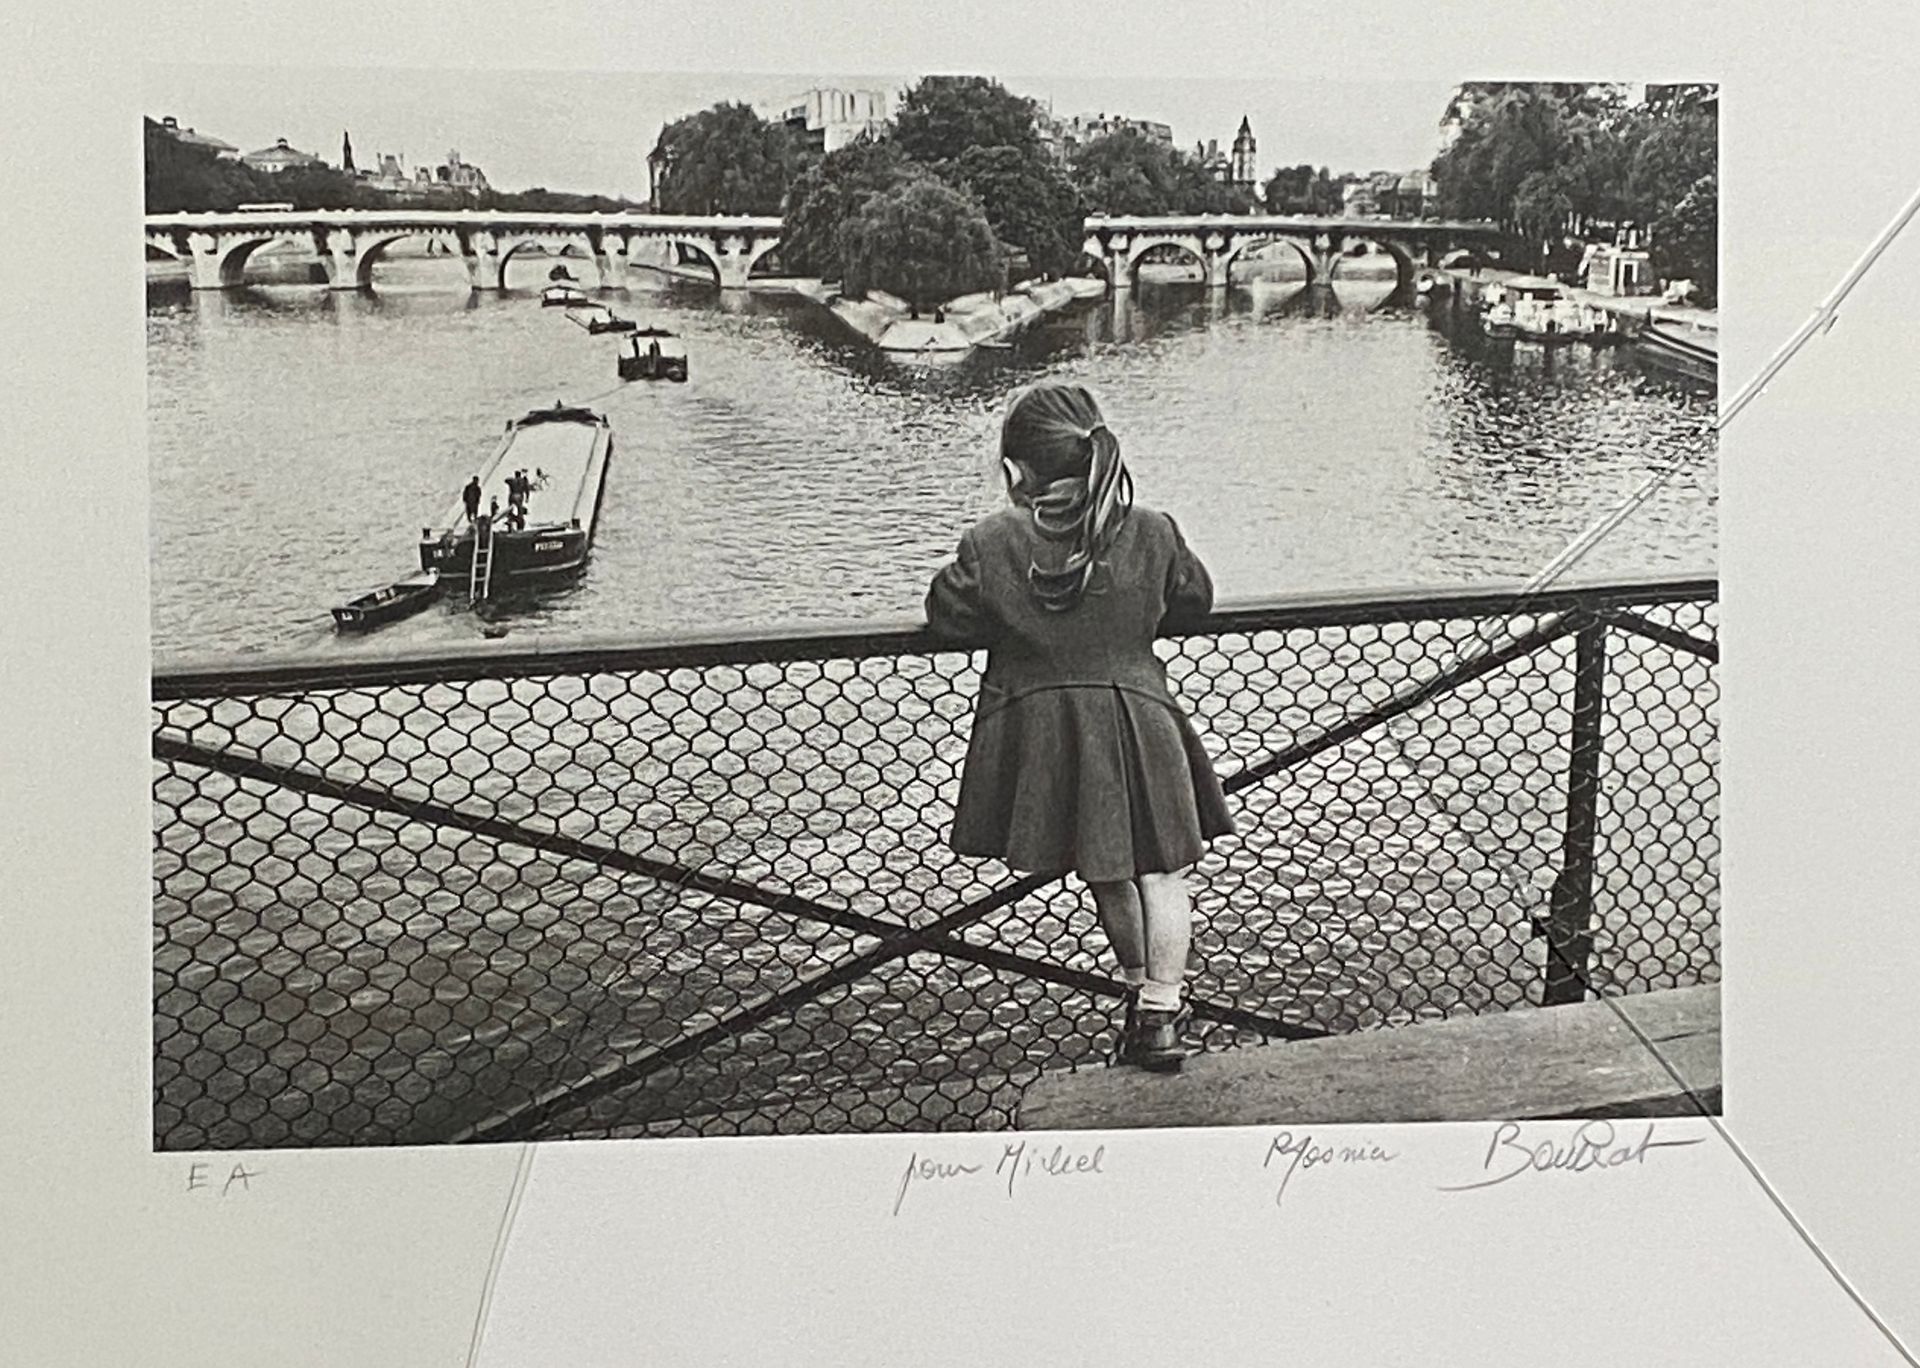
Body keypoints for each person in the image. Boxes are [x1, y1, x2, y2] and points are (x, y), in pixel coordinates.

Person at [924, 381, 1233, 1072]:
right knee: (1164, 872)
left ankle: (1135, 990)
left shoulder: (992, 539)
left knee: (1104, 867)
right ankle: (1161, 1010)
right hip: (1143, 722)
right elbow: (1193, 601)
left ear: (1016, 472)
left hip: (1048, 734)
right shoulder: (1151, 529)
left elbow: (950, 614)